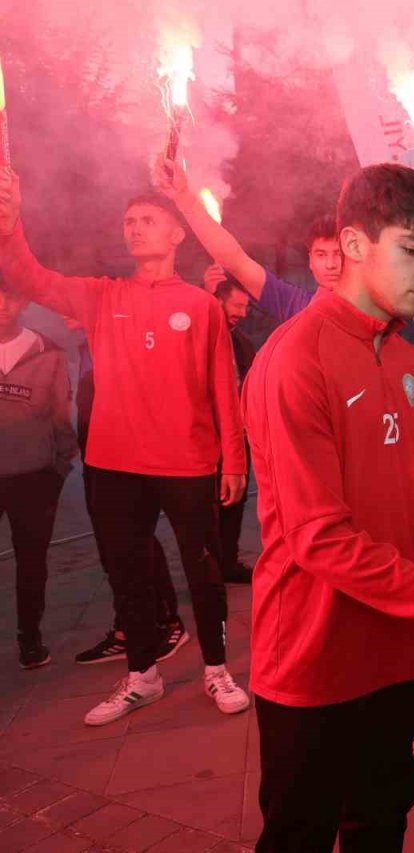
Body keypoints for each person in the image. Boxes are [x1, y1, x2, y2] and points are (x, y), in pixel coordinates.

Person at [243, 163, 414, 851]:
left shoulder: (413, 364)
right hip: (314, 662)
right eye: (412, 249)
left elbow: (400, 511)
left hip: (403, 653)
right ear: (354, 244)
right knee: (297, 835)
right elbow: (318, 538)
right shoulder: (293, 360)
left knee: (381, 827)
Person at [0, 171, 249, 726]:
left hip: (186, 462)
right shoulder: (101, 295)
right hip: (114, 466)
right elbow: (26, 274)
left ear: (178, 234)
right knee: (127, 572)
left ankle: (216, 668)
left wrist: (233, 458)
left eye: (148, 221)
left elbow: (222, 388)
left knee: (204, 571)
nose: (135, 229)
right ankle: (143, 674)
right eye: (129, 222)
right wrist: (10, 222)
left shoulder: (201, 306)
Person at [153, 157, 414, 343]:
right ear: (310, 262)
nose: (331, 263)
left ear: (353, 250)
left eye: (336, 254)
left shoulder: (379, 305)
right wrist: (186, 201)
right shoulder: (294, 304)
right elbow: (235, 259)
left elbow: (403, 259)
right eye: (320, 255)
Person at [70, 328, 187, 665]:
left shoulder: (118, 335)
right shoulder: (82, 347)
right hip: (95, 453)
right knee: (112, 547)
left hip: (125, 451)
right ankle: (128, 628)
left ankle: (166, 621)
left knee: (137, 538)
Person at [0, 281, 77, 668]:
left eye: (9, 295)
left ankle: (30, 639)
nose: (1, 304)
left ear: (23, 299)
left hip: (33, 476)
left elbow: (62, 417)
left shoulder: (48, 353)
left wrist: (58, 469)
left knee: (32, 562)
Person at [207, 268, 258, 584]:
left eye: (246, 307)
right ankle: (207, 564)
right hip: (206, 437)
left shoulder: (243, 343)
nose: (242, 313)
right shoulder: (200, 335)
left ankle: (227, 560)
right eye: (236, 306)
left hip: (239, 437)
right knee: (208, 505)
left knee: (235, 504)